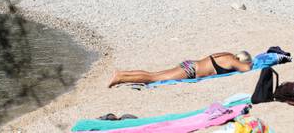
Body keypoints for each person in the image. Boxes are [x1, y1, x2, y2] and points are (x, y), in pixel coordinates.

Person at [108, 51, 252, 88]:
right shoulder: (232, 60)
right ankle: (120, 78)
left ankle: (122, 74)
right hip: (191, 71)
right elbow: (246, 68)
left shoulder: (226, 54)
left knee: (153, 74)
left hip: (190, 65)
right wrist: (252, 63)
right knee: (153, 78)